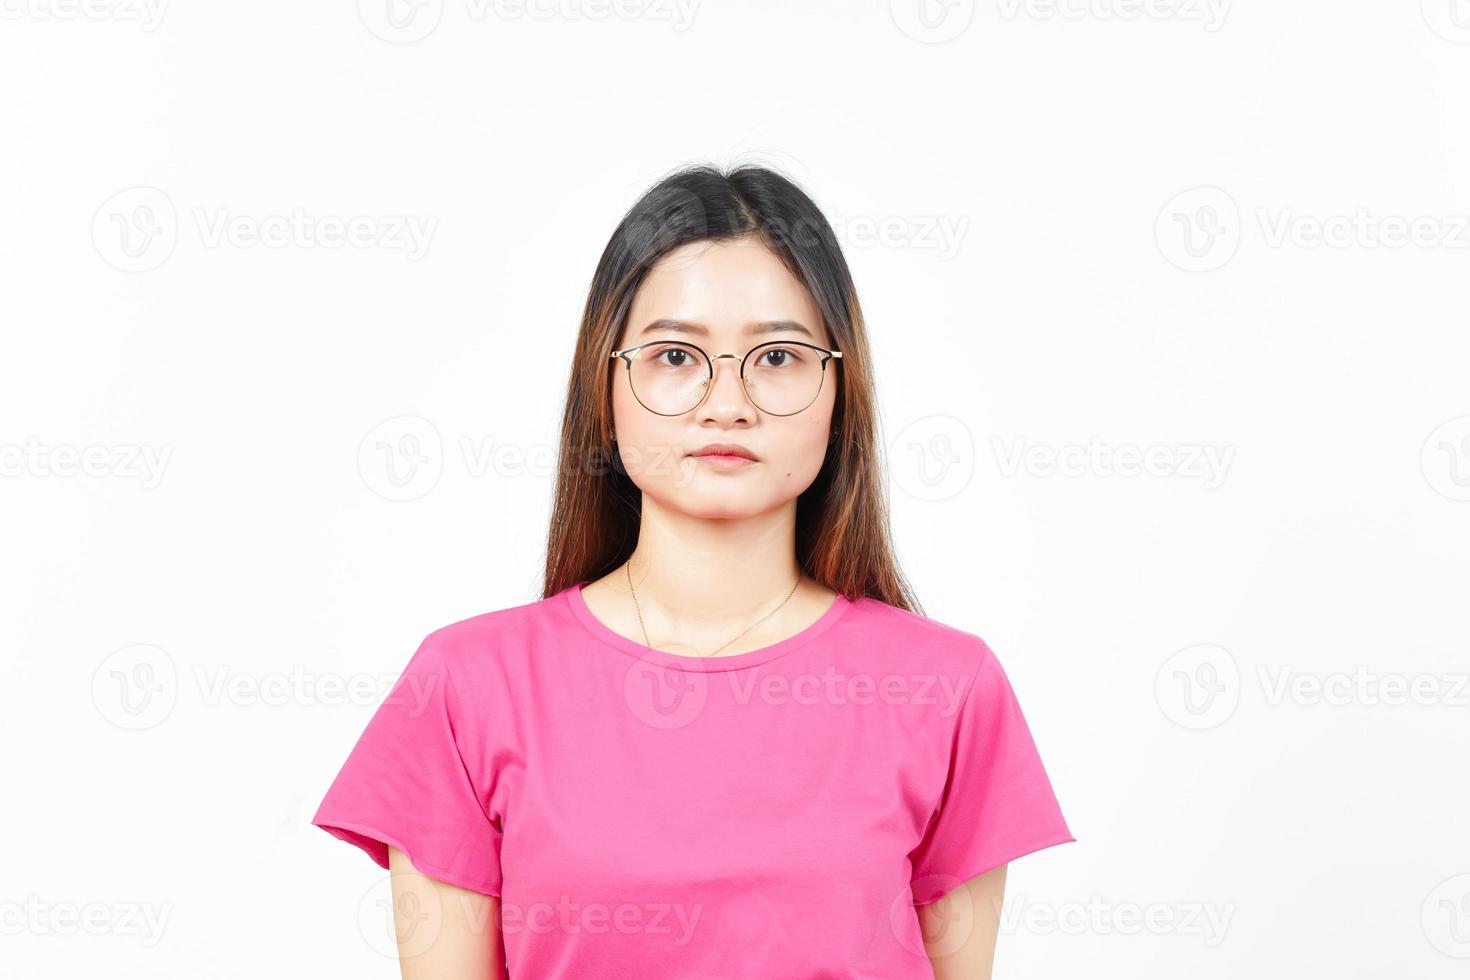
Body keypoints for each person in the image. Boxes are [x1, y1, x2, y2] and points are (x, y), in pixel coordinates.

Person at [312, 162, 1075, 979]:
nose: (727, 402)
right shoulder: (464, 688)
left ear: (838, 387)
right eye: (677, 355)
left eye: (777, 356)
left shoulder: (948, 688)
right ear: (605, 383)